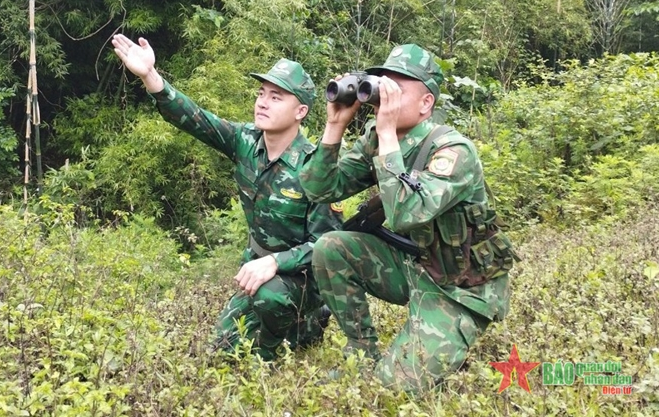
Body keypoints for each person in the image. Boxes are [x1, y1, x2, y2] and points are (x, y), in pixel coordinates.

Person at [299, 44, 516, 393]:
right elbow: (319, 190)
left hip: (457, 287)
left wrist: (386, 135)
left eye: (398, 88)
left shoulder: (453, 151)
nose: (386, 95)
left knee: (394, 387)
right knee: (331, 247)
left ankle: (444, 336)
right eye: (383, 84)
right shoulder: (377, 140)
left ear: (426, 103)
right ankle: (362, 351)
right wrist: (334, 127)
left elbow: (405, 214)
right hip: (414, 266)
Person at [111, 33, 342, 360]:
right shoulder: (245, 141)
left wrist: (276, 262)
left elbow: (328, 245)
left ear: (300, 111)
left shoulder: (316, 167)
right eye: (261, 94)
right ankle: (285, 323)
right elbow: (195, 119)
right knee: (221, 353)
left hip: (304, 277)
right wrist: (151, 76)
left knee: (269, 305)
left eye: (276, 97)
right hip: (258, 269)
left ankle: (303, 324)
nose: (262, 102)